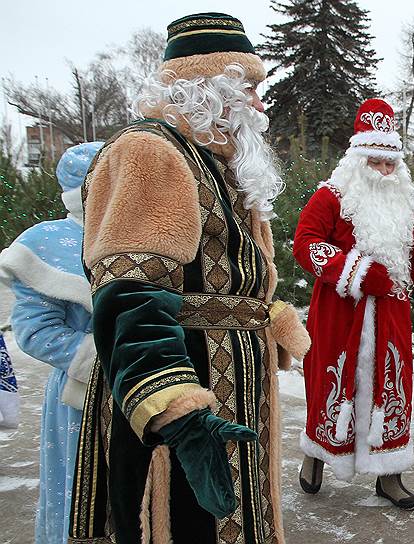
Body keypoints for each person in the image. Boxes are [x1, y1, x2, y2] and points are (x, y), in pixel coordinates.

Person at [68, 13, 309, 544]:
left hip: (234, 385)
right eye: (248, 88)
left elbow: (224, 279)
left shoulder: (217, 163)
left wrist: (269, 314)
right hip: (184, 397)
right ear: (208, 87)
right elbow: (129, 291)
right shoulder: (152, 152)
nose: (260, 104)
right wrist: (176, 413)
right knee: (186, 523)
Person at [293, 98, 414, 509]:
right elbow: (304, 243)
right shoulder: (331, 197)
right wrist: (355, 271)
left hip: (390, 313)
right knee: (330, 385)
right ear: (358, 160)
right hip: (338, 313)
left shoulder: (404, 204)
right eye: (376, 163)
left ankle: (390, 474)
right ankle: (317, 454)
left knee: (393, 387)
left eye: (391, 164)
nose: (385, 172)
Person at [0, 142, 101, 543]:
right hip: (81, 397)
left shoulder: (150, 239)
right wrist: (106, 359)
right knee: (81, 495)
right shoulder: (46, 243)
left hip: (153, 392)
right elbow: (34, 331)